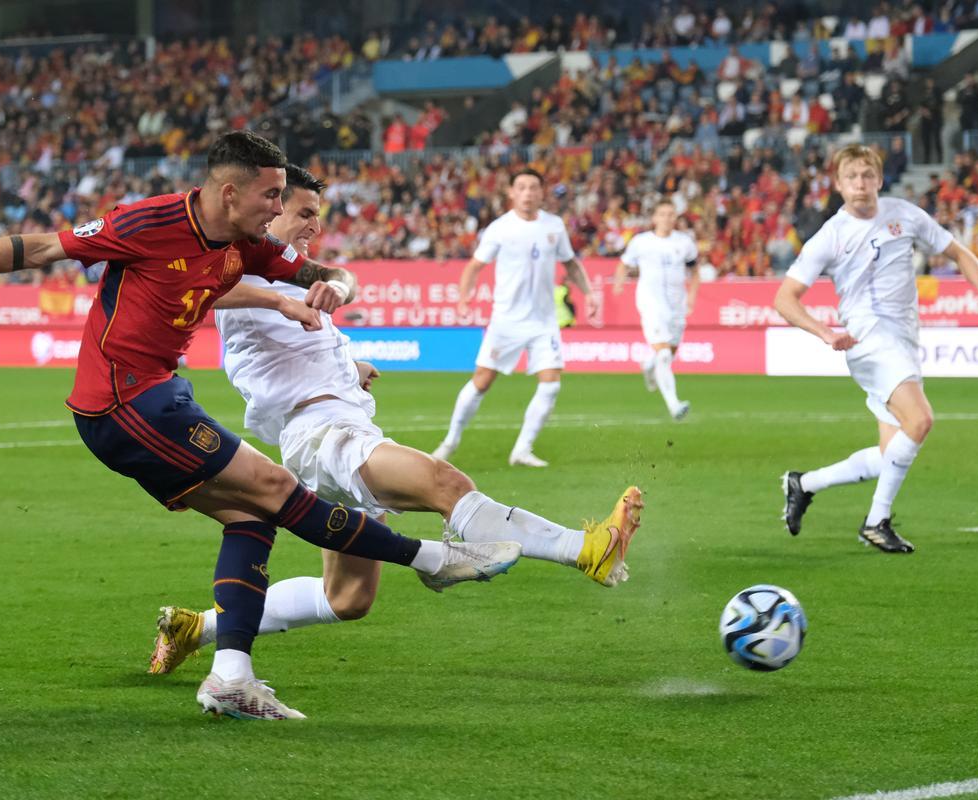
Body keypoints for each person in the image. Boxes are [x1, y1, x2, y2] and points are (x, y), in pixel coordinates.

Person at [0, 131, 521, 721]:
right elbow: (43, 246)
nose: (278, 207)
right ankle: (435, 559)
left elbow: (328, 273)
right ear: (229, 192)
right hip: (124, 401)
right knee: (275, 486)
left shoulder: (247, 243)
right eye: (272, 194)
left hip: (156, 397)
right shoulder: (148, 221)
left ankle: (230, 676)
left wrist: (336, 288)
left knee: (252, 516)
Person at [149, 165, 644, 675]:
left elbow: (324, 311)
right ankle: (583, 549)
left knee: (348, 597)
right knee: (444, 482)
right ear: (266, 209)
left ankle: (196, 628)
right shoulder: (237, 265)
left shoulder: (292, 270)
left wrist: (349, 363)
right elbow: (197, 286)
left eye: (315, 216)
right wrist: (280, 299)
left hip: (336, 428)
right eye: (299, 212)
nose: (310, 226)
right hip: (321, 438)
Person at [774, 144, 978, 553]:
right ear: (839, 184)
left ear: (880, 180)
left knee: (890, 455)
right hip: (869, 339)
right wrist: (825, 332)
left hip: (903, 340)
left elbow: (959, 252)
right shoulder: (830, 235)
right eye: (852, 178)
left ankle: (804, 483)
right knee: (920, 422)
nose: (860, 184)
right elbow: (785, 298)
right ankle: (875, 522)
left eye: (867, 176)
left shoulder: (904, 214)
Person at [432, 168, 600, 468]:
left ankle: (522, 449)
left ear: (541, 192)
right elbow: (473, 266)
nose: (527, 193)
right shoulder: (500, 228)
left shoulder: (554, 226)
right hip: (506, 321)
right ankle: (451, 441)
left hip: (543, 321)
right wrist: (463, 297)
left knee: (551, 384)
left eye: (533, 187)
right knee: (482, 381)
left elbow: (571, 264)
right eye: (521, 187)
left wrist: (589, 294)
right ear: (511, 192)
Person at [612, 199, 698, 420]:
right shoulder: (641, 242)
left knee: (668, 354)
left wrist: (691, 297)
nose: (667, 218)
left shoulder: (685, 242)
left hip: (676, 304)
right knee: (663, 354)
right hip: (651, 303)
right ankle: (674, 405)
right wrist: (619, 283)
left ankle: (648, 366)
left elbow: (694, 270)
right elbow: (624, 263)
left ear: (675, 218)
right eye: (662, 214)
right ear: (654, 218)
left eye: (671, 214)